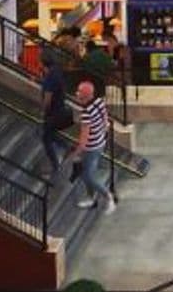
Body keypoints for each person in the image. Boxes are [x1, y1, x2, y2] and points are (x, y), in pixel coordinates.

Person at [72, 80, 117, 212]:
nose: (76, 93)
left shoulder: (86, 114)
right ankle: (91, 198)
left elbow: (84, 138)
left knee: (88, 176)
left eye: (79, 91)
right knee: (87, 173)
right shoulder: (99, 102)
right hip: (100, 143)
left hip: (91, 148)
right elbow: (105, 119)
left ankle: (108, 197)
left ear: (85, 95)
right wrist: (103, 132)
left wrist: (76, 152)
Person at [40, 47, 72, 176]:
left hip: (53, 113)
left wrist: (43, 110)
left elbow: (48, 98)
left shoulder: (50, 77)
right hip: (61, 110)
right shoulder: (56, 72)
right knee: (49, 135)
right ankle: (67, 148)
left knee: (46, 138)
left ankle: (55, 166)